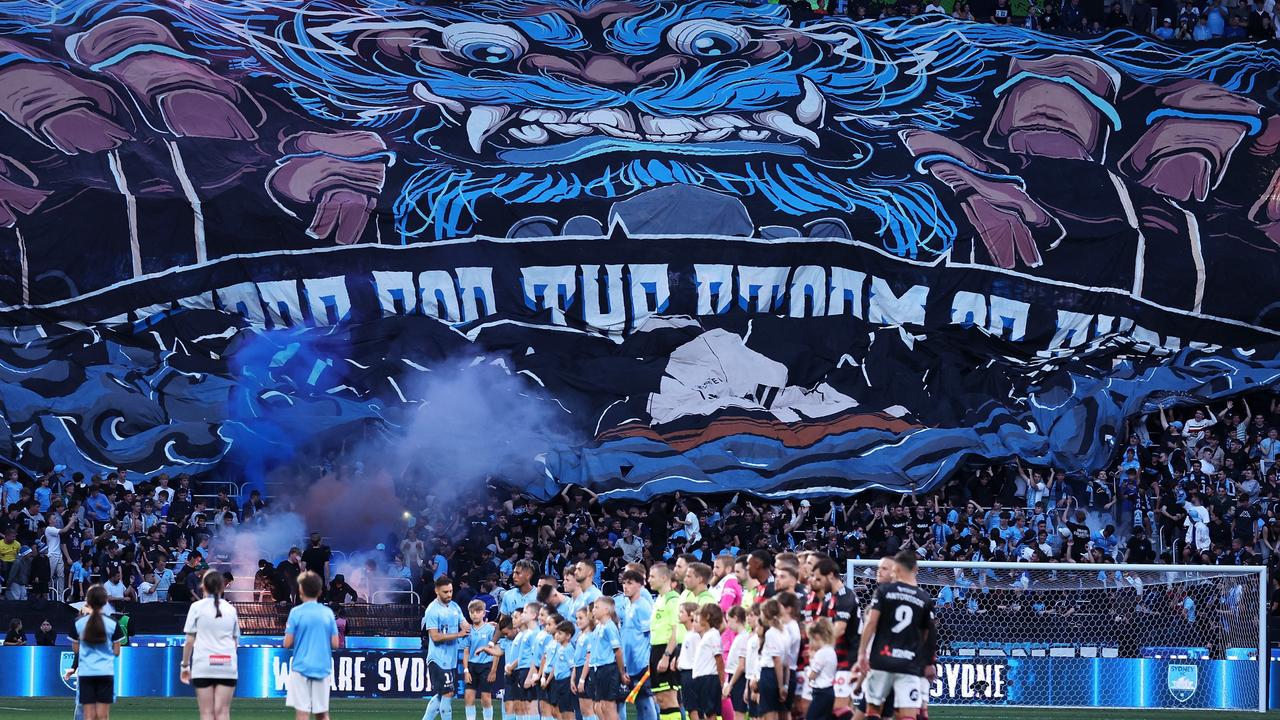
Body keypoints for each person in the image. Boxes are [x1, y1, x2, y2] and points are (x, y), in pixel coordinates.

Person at [855, 552, 936, 720]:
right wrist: (928, 663)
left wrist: (862, 653)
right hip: (908, 663)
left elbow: (871, 623)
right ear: (915, 569)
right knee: (907, 715)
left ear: (896, 569)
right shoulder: (924, 598)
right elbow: (928, 634)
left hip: (882, 659)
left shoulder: (884, 591)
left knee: (873, 711)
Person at [181, 569, 241, 720]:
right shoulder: (231, 609)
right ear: (222, 587)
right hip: (227, 664)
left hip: (204, 664)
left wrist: (185, 665)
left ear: (203, 586)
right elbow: (235, 643)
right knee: (223, 713)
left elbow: (189, 640)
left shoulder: (196, 608)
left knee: (206, 713)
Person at [284, 571, 339, 720]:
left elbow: (287, 643)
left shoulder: (296, 612)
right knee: (322, 713)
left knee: (302, 712)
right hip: (322, 667)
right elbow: (335, 643)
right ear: (320, 591)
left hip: (301, 667)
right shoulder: (327, 613)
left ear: (300, 590)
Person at [67, 585, 124, 720]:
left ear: (88, 601)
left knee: (88, 715)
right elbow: (116, 652)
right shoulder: (112, 623)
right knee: (103, 716)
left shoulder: (78, 623)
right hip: (105, 672)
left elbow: (76, 650)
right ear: (105, 601)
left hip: (86, 672)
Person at [421, 575, 470, 720]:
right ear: (437, 591)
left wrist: (480, 625)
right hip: (438, 658)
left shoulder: (454, 606)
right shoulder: (432, 610)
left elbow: (465, 626)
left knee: (443, 694)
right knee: (448, 693)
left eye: (450, 591)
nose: (449, 595)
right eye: (445, 592)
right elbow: (435, 637)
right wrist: (458, 634)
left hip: (450, 658)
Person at [648, 563, 683, 720]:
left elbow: (676, 630)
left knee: (669, 697)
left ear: (664, 578)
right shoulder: (660, 599)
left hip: (665, 650)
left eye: (652, 576)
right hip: (656, 650)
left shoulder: (673, 600)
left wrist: (667, 655)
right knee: (661, 699)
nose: (649, 580)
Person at [583, 597, 628, 720]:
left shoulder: (610, 627)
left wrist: (622, 672)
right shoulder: (598, 628)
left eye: (597, 607)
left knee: (609, 707)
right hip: (598, 669)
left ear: (607, 610)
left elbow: (618, 651)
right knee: (601, 707)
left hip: (608, 669)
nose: (594, 610)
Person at [462, 599, 497, 720]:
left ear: (483, 613)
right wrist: (466, 670)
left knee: (486, 697)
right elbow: (466, 652)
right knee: (468, 696)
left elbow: (496, 651)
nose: (474, 614)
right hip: (472, 666)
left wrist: (493, 670)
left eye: (477, 611)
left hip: (486, 666)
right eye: (472, 612)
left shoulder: (490, 630)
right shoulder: (468, 631)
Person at [689, 604, 725, 720]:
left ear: (707, 617)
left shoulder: (713, 634)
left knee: (710, 712)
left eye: (700, 616)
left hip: (709, 678)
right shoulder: (706, 636)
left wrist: (721, 681)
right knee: (704, 712)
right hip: (702, 678)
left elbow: (719, 659)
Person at [804, 619, 837, 720]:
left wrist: (810, 662)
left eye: (811, 639)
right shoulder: (831, 651)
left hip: (821, 692)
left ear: (817, 637)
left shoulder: (821, 653)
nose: (810, 643)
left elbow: (812, 675)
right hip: (829, 691)